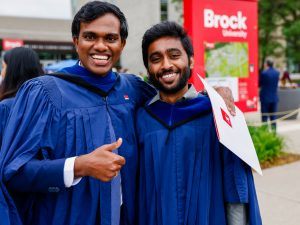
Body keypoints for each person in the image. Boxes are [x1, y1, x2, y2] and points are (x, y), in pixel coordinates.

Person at [0, 2, 235, 225]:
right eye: (90, 36)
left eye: (110, 38)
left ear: (122, 44)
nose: (101, 46)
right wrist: (79, 165)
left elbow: (174, 97)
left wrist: (213, 94)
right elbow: (14, 172)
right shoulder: (45, 93)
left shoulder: (133, 89)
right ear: (76, 41)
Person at [136, 21, 262, 225]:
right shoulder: (141, 119)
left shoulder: (217, 114)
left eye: (174, 55)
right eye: (156, 59)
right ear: (149, 68)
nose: (166, 64)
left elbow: (235, 183)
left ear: (191, 61)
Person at [0, 47, 43, 147]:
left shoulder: (5, 107)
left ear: (12, 71)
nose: (2, 73)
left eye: (3, 67)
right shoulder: (45, 103)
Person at [259, 59, 280, 131]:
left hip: (265, 98)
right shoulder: (277, 73)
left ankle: (265, 133)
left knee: (264, 117)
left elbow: (259, 84)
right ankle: (274, 134)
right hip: (274, 98)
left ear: (266, 64)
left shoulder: (264, 73)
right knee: (273, 117)